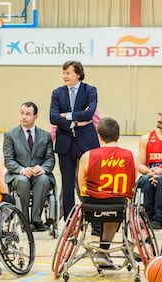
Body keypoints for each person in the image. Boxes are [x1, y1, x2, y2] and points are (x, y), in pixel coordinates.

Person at [78, 117, 136, 267]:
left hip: (91, 204)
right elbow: (132, 185)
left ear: (99, 136)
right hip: (117, 205)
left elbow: (81, 185)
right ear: (118, 135)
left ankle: (100, 251)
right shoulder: (128, 156)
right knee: (116, 204)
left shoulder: (88, 156)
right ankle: (103, 251)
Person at [49, 60, 100, 226]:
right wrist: (75, 122)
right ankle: (69, 222)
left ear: (78, 74)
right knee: (68, 183)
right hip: (65, 143)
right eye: (63, 73)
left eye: (68, 73)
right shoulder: (57, 92)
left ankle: (94, 220)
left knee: (90, 182)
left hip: (86, 142)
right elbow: (53, 117)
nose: (65, 76)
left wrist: (67, 116)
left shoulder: (90, 90)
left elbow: (90, 113)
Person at [3, 102, 56, 232]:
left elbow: (50, 159)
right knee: (23, 181)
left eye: (28, 114)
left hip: (38, 174)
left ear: (35, 116)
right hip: (18, 175)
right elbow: (8, 160)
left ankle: (36, 220)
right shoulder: (10, 135)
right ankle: (24, 220)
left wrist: (42, 168)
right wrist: (21, 170)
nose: (24, 117)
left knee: (44, 179)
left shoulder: (46, 136)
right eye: (22, 113)